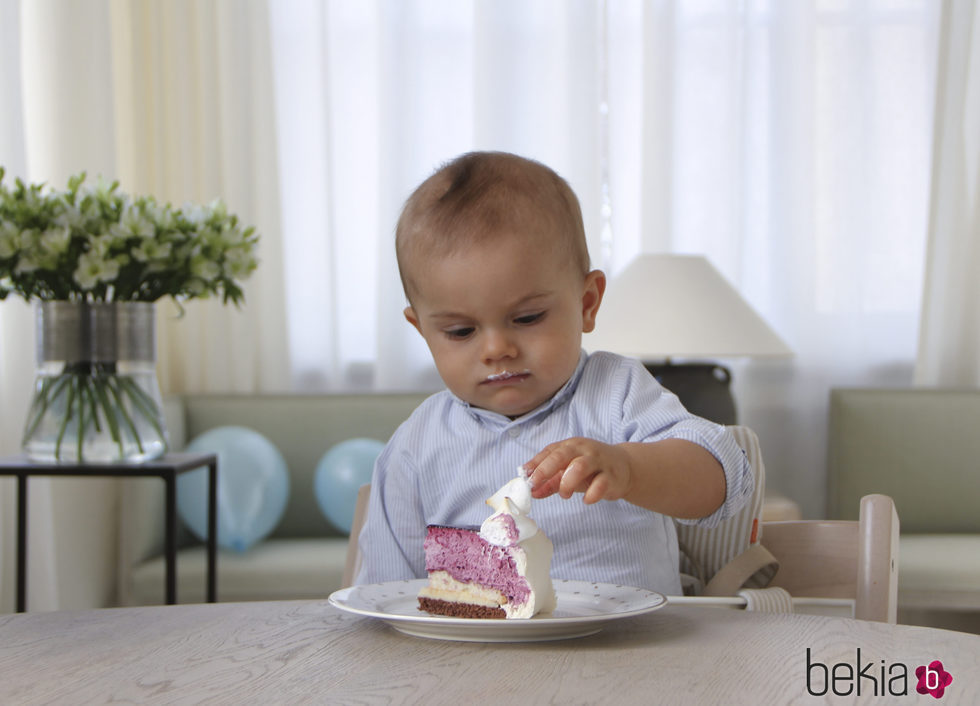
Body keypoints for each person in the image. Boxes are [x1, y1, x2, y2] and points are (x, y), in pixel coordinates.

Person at [354, 151, 752, 594]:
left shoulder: (616, 394)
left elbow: (724, 479)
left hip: (632, 653)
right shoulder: (416, 446)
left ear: (587, 303)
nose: (497, 349)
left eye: (527, 319)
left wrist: (628, 468)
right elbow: (385, 596)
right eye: (461, 331)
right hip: (475, 658)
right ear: (423, 330)